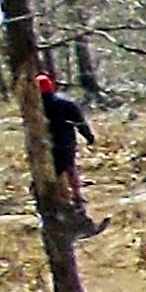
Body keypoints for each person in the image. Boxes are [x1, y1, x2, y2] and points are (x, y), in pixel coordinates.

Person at [33, 72, 102, 233]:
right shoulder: (65, 104)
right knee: (70, 169)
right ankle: (77, 198)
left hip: (43, 146)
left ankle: (49, 203)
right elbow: (80, 123)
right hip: (65, 143)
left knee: (48, 174)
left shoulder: (33, 108)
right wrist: (89, 136)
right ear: (50, 87)